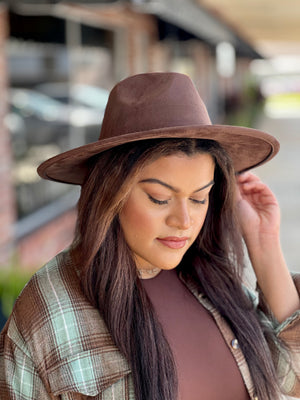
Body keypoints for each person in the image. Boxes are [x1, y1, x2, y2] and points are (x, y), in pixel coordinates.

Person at [0, 72, 299, 400]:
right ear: (110, 194)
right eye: (159, 198)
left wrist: (263, 241)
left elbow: (293, 378)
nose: (183, 220)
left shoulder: (215, 282)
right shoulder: (50, 308)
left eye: (200, 198)